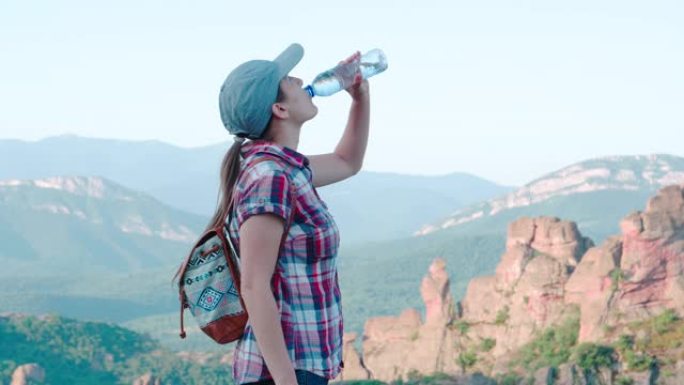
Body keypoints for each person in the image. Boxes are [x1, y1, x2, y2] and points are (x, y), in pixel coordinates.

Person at [209, 43, 369, 385]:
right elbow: (254, 286)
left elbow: (347, 162)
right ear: (280, 108)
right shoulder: (270, 177)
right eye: (288, 79)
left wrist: (359, 97)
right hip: (283, 373)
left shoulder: (287, 169)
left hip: (301, 367)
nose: (299, 79)